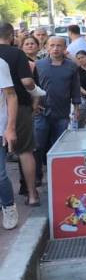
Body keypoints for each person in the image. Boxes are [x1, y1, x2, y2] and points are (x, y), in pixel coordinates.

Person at [0, 23, 40, 206]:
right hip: (20, 106)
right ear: (11, 36)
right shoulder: (16, 54)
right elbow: (27, 82)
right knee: (25, 150)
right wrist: (36, 91)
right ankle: (32, 195)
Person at [34, 36, 81, 182]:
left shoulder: (71, 66)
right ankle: (37, 175)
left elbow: (75, 88)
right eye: (52, 45)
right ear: (47, 47)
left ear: (65, 48)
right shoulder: (39, 64)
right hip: (41, 112)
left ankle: (58, 176)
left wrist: (77, 107)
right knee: (38, 145)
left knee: (59, 146)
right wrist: (34, 103)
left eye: (59, 45)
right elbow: (32, 86)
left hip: (62, 113)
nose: (55, 48)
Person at [0, 57, 20, 229]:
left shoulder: (0, 64)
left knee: (0, 174)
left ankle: (8, 205)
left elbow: (11, 96)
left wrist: (10, 128)